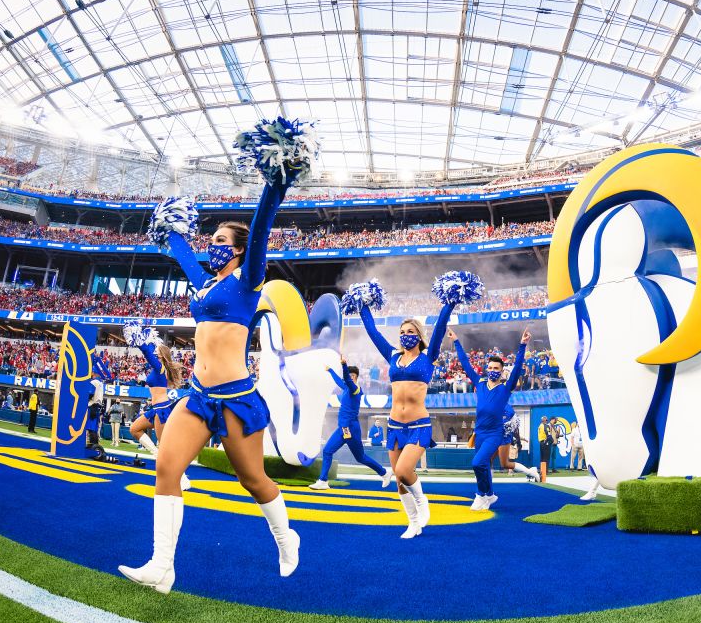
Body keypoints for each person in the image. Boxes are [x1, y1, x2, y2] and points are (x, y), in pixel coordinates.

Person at [120, 129, 309, 595]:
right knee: (167, 467)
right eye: (213, 237)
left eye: (223, 239)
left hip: (238, 397)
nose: (214, 243)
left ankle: (288, 539)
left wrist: (276, 181)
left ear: (241, 249)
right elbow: (178, 245)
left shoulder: (249, 278)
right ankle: (163, 566)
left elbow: (262, 225)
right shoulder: (203, 284)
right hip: (198, 396)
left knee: (254, 479)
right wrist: (165, 225)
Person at [353, 289, 459, 538]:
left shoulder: (428, 357)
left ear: (419, 336)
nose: (405, 336)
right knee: (400, 483)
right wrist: (361, 306)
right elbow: (373, 332)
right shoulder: (392, 356)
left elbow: (441, 326)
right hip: (394, 426)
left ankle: (422, 502)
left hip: (418, 424)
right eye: (402, 332)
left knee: (402, 471)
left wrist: (450, 302)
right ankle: (413, 523)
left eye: (410, 332)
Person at [446, 328, 530, 510]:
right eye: (490, 368)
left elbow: (517, 368)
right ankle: (487, 496)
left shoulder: (506, 388)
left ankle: (482, 494)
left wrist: (522, 345)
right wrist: (457, 341)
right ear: (486, 369)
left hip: (494, 433)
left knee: (477, 463)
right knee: (483, 465)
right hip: (480, 432)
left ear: (501, 371)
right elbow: (465, 364)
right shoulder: (480, 383)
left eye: (496, 369)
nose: (492, 370)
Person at [125, 328, 191, 490]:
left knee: (166, 447)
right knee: (135, 429)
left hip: (162, 409)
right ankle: (156, 455)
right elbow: (149, 356)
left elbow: (148, 355)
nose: (154, 352)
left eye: (157, 351)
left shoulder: (160, 368)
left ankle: (182, 478)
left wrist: (141, 343)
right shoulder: (159, 369)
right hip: (155, 409)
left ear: (161, 355)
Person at [312, 358, 388, 490]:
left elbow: (346, 379)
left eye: (354, 376)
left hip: (351, 429)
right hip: (343, 428)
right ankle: (323, 480)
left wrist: (344, 365)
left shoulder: (355, 389)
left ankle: (384, 472)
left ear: (357, 378)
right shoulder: (347, 388)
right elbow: (339, 380)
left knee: (361, 457)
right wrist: (330, 370)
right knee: (327, 451)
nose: (351, 378)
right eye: (350, 375)